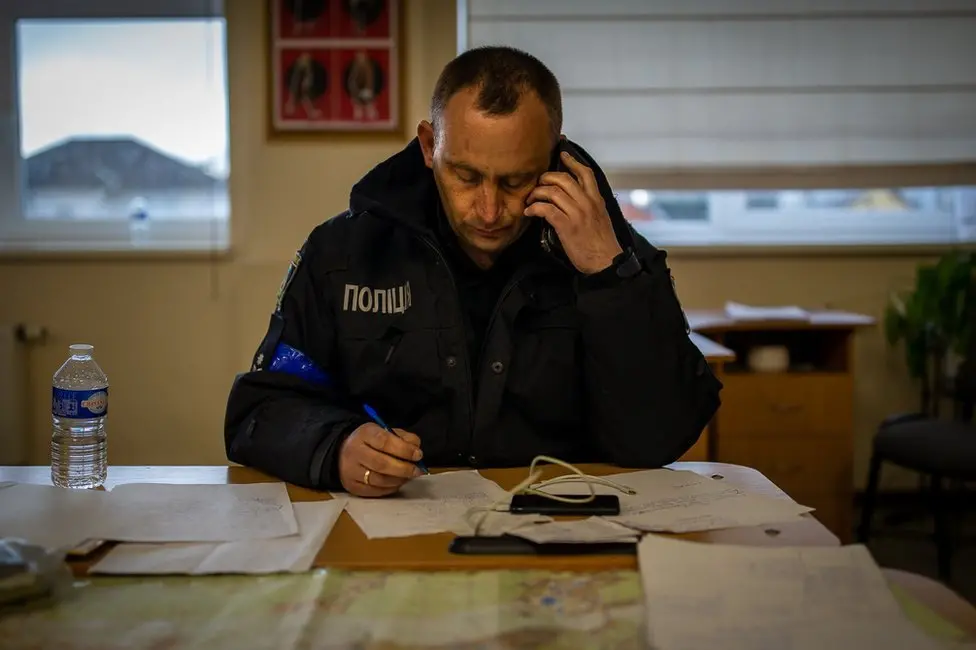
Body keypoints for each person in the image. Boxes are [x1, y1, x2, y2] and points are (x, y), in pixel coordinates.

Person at [225, 46, 723, 497]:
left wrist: (607, 276)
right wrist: (334, 447)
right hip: (393, 532)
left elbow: (660, 438)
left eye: (515, 181)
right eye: (465, 176)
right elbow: (261, 409)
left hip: (564, 529)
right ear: (427, 146)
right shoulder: (343, 252)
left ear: (553, 156)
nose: (488, 211)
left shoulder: (618, 258)